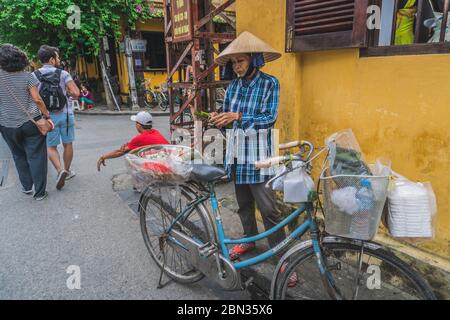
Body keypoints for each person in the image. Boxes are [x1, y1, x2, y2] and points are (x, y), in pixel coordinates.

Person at [211, 31, 298, 286]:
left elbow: (268, 119)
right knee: (244, 204)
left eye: (241, 61)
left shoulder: (270, 83)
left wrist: (237, 117)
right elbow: (227, 119)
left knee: (269, 210)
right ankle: (249, 240)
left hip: (259, 156)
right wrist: (219, 119)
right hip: (237, 154)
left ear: (254, 60)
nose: (237, 66)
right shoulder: (233, 86)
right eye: (234, 62)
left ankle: (283, 258)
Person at [0, 44, 52, 200]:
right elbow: (37, 99)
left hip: (6, 124)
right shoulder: (28, 76)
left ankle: (27, 186)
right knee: (36, 156)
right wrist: (46, 115)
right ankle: (40, 193)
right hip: (31, 122)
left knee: (18, 154)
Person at [34, 45, 80, 191]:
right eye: (58, 57)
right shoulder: (63, 74)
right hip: (65, 115)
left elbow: (34, 98)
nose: (59, 59)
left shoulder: (34, 75)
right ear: (52, 59)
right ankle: (67, 170)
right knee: (68, 144)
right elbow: (76, 93)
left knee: (51, 146)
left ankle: (60, 170)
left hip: (48, 118)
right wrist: (66, 92)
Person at [97, 111, 170, 171]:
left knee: (131, 157)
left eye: (136, 123)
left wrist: (103, 157)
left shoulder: (141, 138)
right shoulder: (155, 132)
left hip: (164, 166)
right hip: (169, 159)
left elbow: (120, 151)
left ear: (139, 125)